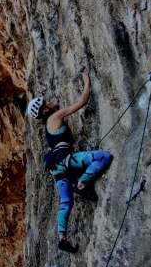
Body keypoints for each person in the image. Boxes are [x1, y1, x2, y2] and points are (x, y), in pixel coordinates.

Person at [26, 72, 113, 254]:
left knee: (66, 202)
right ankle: (82, 183)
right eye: (46, 102)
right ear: (44, 110)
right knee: (104, 157)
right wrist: (87, 83)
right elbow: (82, 102)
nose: (50, 102)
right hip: (66, 160)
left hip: (56, 169)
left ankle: (62, 237)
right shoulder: (54, 117)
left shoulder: (47, 128)